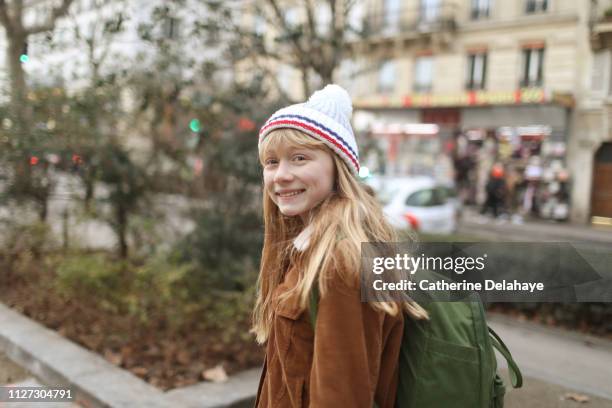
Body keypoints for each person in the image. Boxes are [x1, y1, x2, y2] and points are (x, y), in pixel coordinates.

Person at [252, 84, 427, 407]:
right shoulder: (312, 247)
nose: (281, 175)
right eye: (272, 162)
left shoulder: (339, 263)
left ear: (338, 167)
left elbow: (342, 397)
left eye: (300, 158)